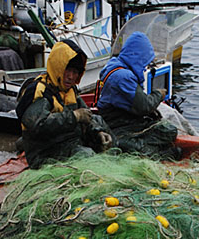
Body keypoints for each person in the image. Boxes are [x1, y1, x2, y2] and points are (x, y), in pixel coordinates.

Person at [16, 40, 113, 169]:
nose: (71, 77)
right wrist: (74, 117)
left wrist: (99, 132)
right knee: (86, 156)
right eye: (68, 71)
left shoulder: (71, 90)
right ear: (58, 67)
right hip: (45, 151)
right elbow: (38, 126)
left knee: (102, 128)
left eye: (75, 72)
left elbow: (86, 115)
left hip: (69, 143)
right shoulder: (39, 90)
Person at [96, 31, 179, 160]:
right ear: (138, 57)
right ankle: (157, 155)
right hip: (117, 127)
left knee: (168, 130)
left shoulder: (114, 66)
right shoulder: (123, 76)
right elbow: (144, 106)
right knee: (165, 133)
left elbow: (134, 103)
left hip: (123, 122)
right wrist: (159, 94)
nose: (145, 66)